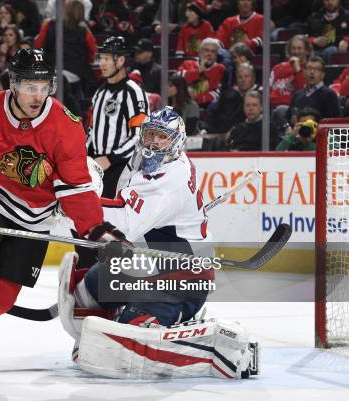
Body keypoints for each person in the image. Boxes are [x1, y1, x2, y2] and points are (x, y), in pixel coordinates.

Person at [0, 48, 127, 385]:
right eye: (30, 86)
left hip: (33, 217)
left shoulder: (66, 125)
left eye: (43, 86)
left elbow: (75, 187)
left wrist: (97, 229)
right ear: (13, 84)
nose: (37, 95)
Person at [58, 106, 259, 380]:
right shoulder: (159, 164)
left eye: (161, 137)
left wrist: (78, 202)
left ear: (176, 141)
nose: (153, 142)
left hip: (181, 280)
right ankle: (120, 319)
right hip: (158, 265)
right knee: (90, 286)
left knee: (131, 340)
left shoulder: (167, 180)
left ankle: (219, 350)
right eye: (150, 134)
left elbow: (125, 222)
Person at [89, 36, 149, 200]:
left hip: (121, 168)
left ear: (121, 60)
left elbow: (141, 136)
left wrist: (111, 158)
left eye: (107, 58)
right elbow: (93, 130)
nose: (102, 63)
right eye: (101, 58)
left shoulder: (133, 92)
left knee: (113, 219)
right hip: (98, 166)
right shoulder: (100, 93)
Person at [285, 56, 341, 123]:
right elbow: (287, 117)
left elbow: (335, 122)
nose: (312, 72)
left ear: (322, 75)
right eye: (309, 68)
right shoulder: (297, 94)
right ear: (304, 72)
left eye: (316, 69)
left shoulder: (329, 95)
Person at [177, 37, 225, 107]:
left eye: (213, 51)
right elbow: (177, 79)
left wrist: (196, 98)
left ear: (216, 55)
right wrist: (198, 71)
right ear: (200, 52)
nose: (209, 54)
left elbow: (217, 93)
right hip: (184, 105)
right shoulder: (187, 64)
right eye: (206, 50)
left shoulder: (219, 69)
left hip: (206, 106)